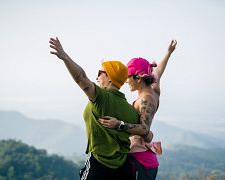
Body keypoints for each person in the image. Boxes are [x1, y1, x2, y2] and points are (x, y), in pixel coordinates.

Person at [49, 36, 140, 180]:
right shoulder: (132, 111)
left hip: (100, 167)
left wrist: (65, 57)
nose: (96, 77)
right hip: (124, 169)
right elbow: (141, 131)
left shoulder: (101, 98)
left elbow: (81, 78)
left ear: (110, 78)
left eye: (100, 73)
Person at [99, 39, 177, 180]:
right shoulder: (154, 88)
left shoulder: (146, 99)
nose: (127, 80)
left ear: (139, 78)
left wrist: (119, 124)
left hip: (139, 159)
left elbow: (145, 129)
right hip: (143, 159)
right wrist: (168, 52)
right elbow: (159, 70)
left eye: (129, 77)